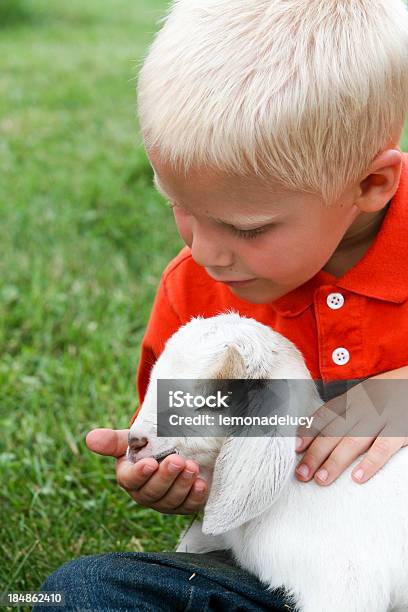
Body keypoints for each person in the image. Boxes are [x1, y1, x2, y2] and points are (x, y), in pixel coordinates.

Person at [35, 0, 408, 609]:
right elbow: (196, 435)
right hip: (290, 565)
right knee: (85, 592)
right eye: (179, 206)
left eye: (248, 228)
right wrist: (173, 475)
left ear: (369, 186)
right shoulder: (196, 293)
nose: (206, 251)